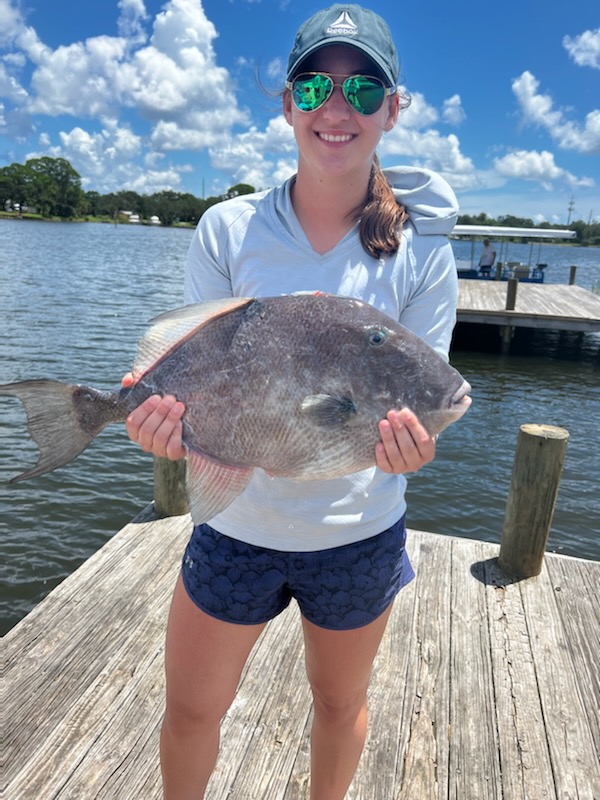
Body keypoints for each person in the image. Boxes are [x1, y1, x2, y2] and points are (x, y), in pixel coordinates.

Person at [125, 5, 459, 798]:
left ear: (392, 109)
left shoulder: (421, 252)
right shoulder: (226, 229)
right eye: (314, 87)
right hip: (235, 525)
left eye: (361, 87)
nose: (335, 108)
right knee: (190, 712)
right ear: (287, 104)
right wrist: (164, 427)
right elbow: (191, 360)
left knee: (339, 705)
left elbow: (427, 394)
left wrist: (420, 442)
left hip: (358, 534)